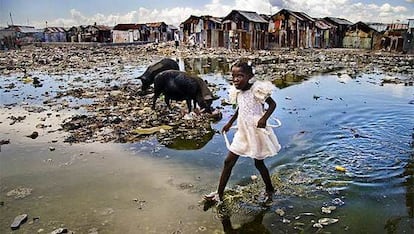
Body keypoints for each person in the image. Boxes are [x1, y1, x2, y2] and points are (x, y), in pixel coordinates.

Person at [205, 61, 281, 204]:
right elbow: (240, 108)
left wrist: (264, 119)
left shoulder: (256, 90)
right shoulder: (237, 92)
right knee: (228, 162)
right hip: (242, 131)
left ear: (249, 76)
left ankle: (270, 189)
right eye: (233, 76)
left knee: (258, 163)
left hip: (256, 130)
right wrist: (229, 122)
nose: (235, 79)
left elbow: (272, 105)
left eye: (240, 76)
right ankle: (219, 194)